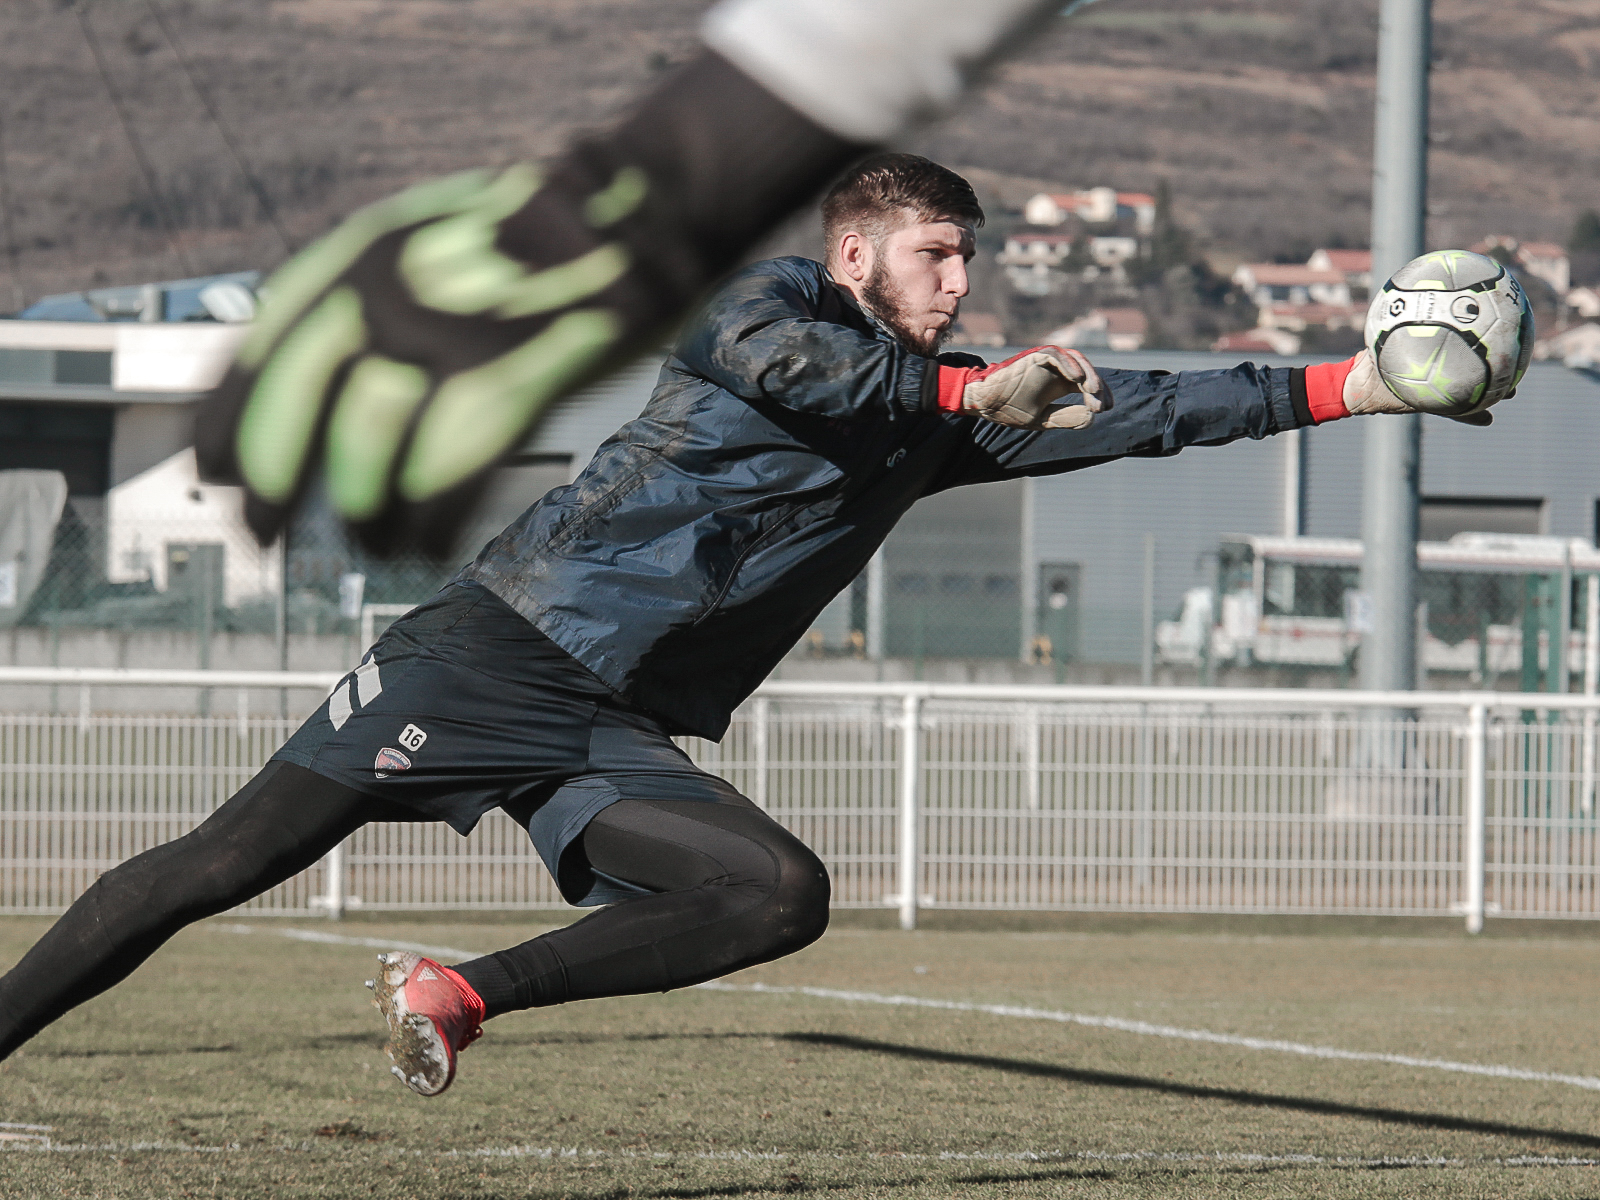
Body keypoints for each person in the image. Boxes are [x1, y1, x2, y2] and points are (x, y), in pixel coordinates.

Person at [0, 153, 1442, 1098]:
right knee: (220, 864)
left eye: (970, 258)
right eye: (938, 253)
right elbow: (784, 365)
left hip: (607, 725)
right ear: (861, 255)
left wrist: (1358, 391)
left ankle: (458, 991)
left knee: (775, 897)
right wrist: (956, 397)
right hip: (494, 651)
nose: (962, 282)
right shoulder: (772, 309)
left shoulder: (939, 415)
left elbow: (1148, 411)